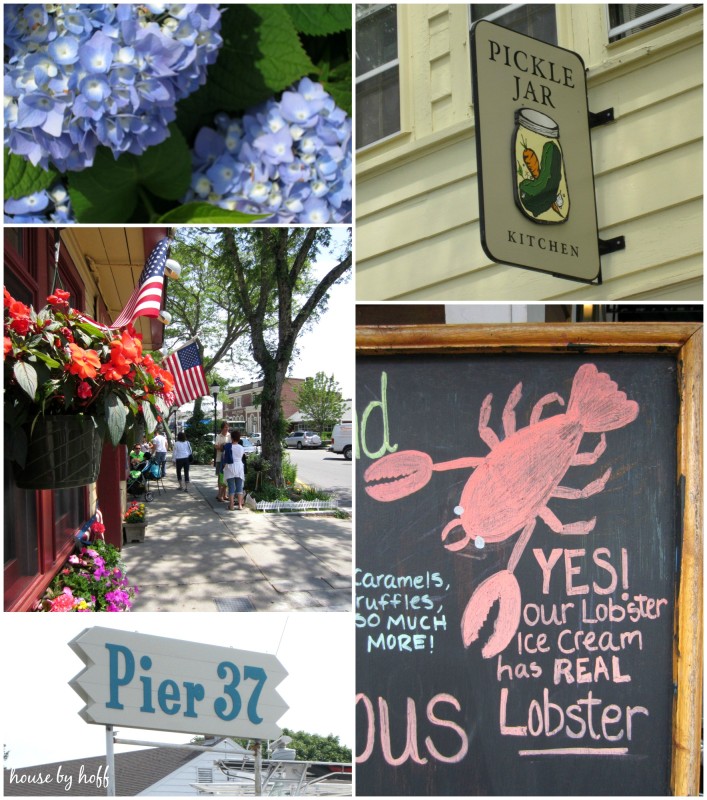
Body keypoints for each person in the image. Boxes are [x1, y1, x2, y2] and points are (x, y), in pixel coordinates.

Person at [222, 430, 245, 511]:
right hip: (239, 467)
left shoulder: (228, 447)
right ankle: (239, 505)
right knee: (239, 487)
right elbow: (241, 457)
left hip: (230, 467)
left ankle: (231, 505)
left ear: (231, 438)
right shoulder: (241, 448)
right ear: (239, 438)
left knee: (231, 487)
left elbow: (225, 457)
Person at [214, 421, 230, 502]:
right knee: (220, 476)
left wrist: (225, 447)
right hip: (219, 459)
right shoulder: (218, 436)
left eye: (227, 427)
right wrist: (222, 447)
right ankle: (219, 493)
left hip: (227, 459)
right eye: (225, 427)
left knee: (226, 476)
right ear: (222, 428)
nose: (226, 429)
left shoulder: (229, 436)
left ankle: (225, 494)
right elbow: (216, 446)